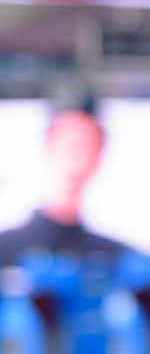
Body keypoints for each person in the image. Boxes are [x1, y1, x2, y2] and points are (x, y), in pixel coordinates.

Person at [0, 103, 130, 268]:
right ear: (48, 150)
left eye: (87, 150)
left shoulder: (117, 258)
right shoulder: (5, 248)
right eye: (68, 148)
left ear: (98, 158)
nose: (76, 163)